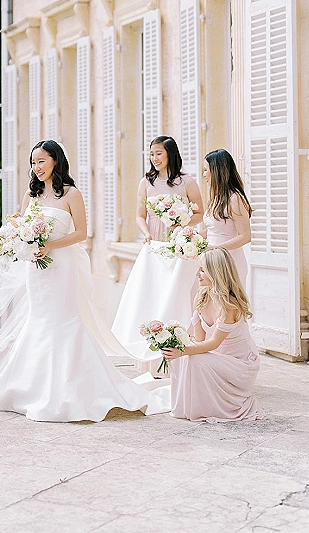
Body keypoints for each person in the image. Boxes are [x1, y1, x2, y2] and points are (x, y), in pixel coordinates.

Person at [0, 140, 170, 422]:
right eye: (33, 163)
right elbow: (21, 226)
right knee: (38, 320)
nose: (36, 168)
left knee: (65, 320)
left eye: (41, 161)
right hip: (36, 269)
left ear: (56, 161)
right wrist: (26, 243)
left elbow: (82, 233)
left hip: (61, 266)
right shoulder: (30, 194)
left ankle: (72, 389)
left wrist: (51, 245)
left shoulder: (71, 194)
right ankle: (28, 389)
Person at [111, 136, 204, 369]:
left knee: (180, 297)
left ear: (170, 154)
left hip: (179, 250)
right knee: (153, 297)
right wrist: (146, 233)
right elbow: (139, 215)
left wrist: (182, 224)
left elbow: (200, 213)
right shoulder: (146, 183)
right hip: (155, 249)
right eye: (151, 154)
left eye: (159, 153)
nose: (154, 158)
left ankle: (184, 354)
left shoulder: (187, 182)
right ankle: (154, 357)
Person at [163, 248, 261, 422]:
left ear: (216, 273)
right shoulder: (201, 297)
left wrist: (184, 351)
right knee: (183, 358)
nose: (197, 274)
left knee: (192, 357)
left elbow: (214, 343)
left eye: (202, 270)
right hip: (218, 357)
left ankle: (208, 407)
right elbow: (199, 340)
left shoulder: (229, 306)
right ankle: (187, 406)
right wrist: (177, 347)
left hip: (239, 363)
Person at [203, 149, 251, 287]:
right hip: (211, 260)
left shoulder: (235, 198)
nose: (204, 174)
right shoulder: (217, 197)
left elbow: (245, 236)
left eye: (206, 170)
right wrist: (190, 236)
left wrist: (216, 249)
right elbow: (214, 229)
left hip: (229, 261)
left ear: (217, 171)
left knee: (229, 304)